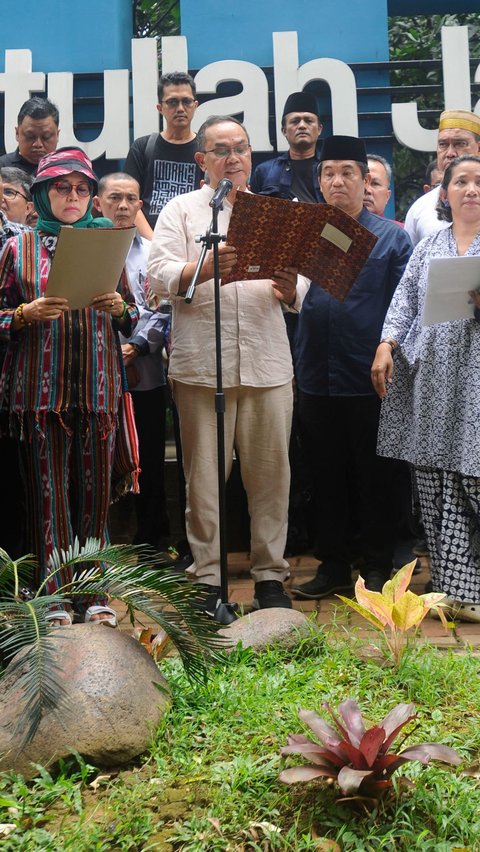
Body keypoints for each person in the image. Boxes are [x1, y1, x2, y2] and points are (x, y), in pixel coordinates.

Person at [148, 115, 305, 615]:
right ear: (202, 161)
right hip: (200, 368)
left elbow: (302, 284)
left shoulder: (277, 213)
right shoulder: (181, 211)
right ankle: (208, 580)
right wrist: (200, 269)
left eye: (241, 148)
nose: (233, 158)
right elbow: (156, 274)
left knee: (270, 477)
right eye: (221, 150)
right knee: (205, 480)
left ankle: (270, 579)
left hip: (267, 363)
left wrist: (291, 288)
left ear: (251, 155)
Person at [0, 147, 139, 626]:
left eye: (82, 188)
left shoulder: (109, 244)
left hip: (97, 395)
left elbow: (134, 317)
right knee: (49, 498)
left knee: (95, 500)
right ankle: (54, 597)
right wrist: (23, 313)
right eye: (63, 188)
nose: (73, 196)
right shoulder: (18, 247)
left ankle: (94, 595)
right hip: (40, 397)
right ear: (43, 193)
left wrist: (119, 308)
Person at [291, 135, 412, 600]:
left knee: (376, 476)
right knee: (324, 475)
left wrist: (390, 350)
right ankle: (333, 566)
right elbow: (298, 300)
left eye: (347, 173)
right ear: (319, 182)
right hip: (316, 374)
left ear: (366, 182)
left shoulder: (391, 238)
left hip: (371, 378)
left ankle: (379, 567)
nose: (337, 181)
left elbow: (408, 307)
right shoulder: (308, 232)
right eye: (328, 173)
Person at [371, 154, 480, 623]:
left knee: (473, 478)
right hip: (432, 380)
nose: (471, 189)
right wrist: (385, 344)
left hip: (474, 381)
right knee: (435, 481)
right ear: (445, 193)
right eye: (462, 182)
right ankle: (457, 592)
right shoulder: (429, 245)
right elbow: (404, 302)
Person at [93, 172, 171, 551]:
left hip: (146, 375)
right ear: (98, 204)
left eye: (130, 199)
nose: (122, 206)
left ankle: (153, 542)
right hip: (95, 376)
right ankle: (97, 546)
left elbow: (163, 309)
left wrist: (137, 345)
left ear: (140, 206)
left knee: (149, 460)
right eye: (114, 198)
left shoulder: (155, 252)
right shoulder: (82, 249)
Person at [124, 71, 202, 239]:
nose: (180, 108)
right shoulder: (142, 147)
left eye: (186, 101)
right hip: (147, 244)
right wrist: (153, 244)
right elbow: (129, 201)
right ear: (160, 108)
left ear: (195, 105)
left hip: (193, 243)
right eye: (172, 102)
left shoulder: (206, 150)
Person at [404, 110, 480, 246]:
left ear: (478, 149)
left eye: (460, 144)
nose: (450, 153)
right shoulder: (420, 209)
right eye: (443, 145)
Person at [250, 91, 323, 201]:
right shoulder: (264, 171)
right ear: (284, 131)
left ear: (319, 129)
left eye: (308, 121)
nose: (302, 126)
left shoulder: (330, 169)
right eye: (295, 121)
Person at [0, 96, 60, 176]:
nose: (38, 144)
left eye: (46, 137)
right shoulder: (2, 168)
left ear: (57, 135)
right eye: (30, 136)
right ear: (17, 133)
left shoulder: (68, 171)